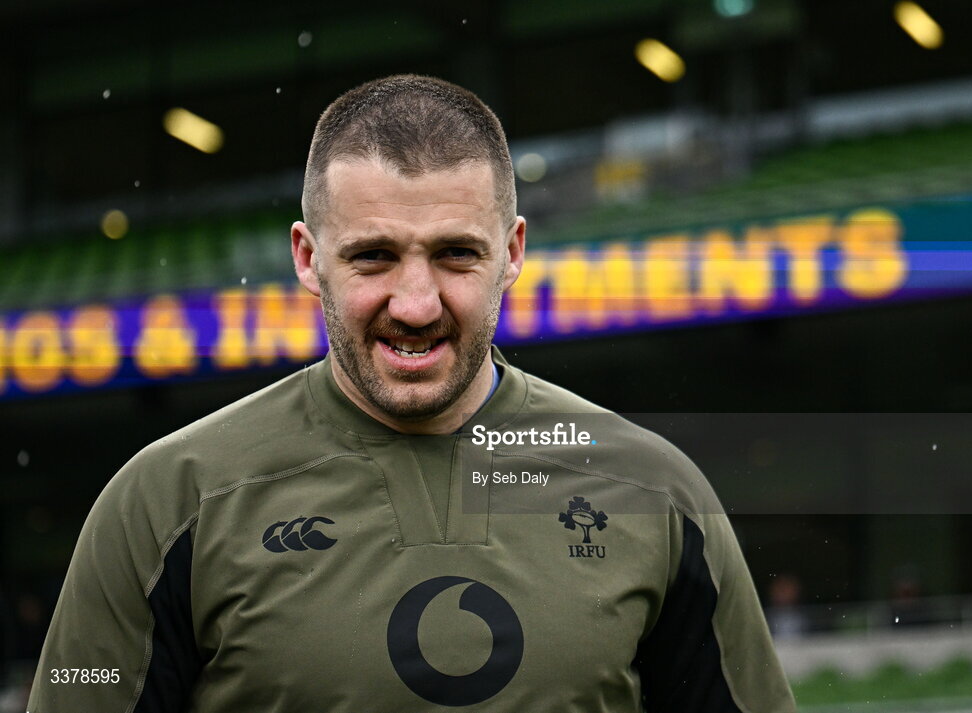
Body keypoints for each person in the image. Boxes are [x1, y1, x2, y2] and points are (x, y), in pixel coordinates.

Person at [28, 75, 795, 712]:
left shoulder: (650, 489)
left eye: (457, 254)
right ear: (307, 257)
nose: (417, 302)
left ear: (513, 252)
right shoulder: (166, 501)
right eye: (374, 257)